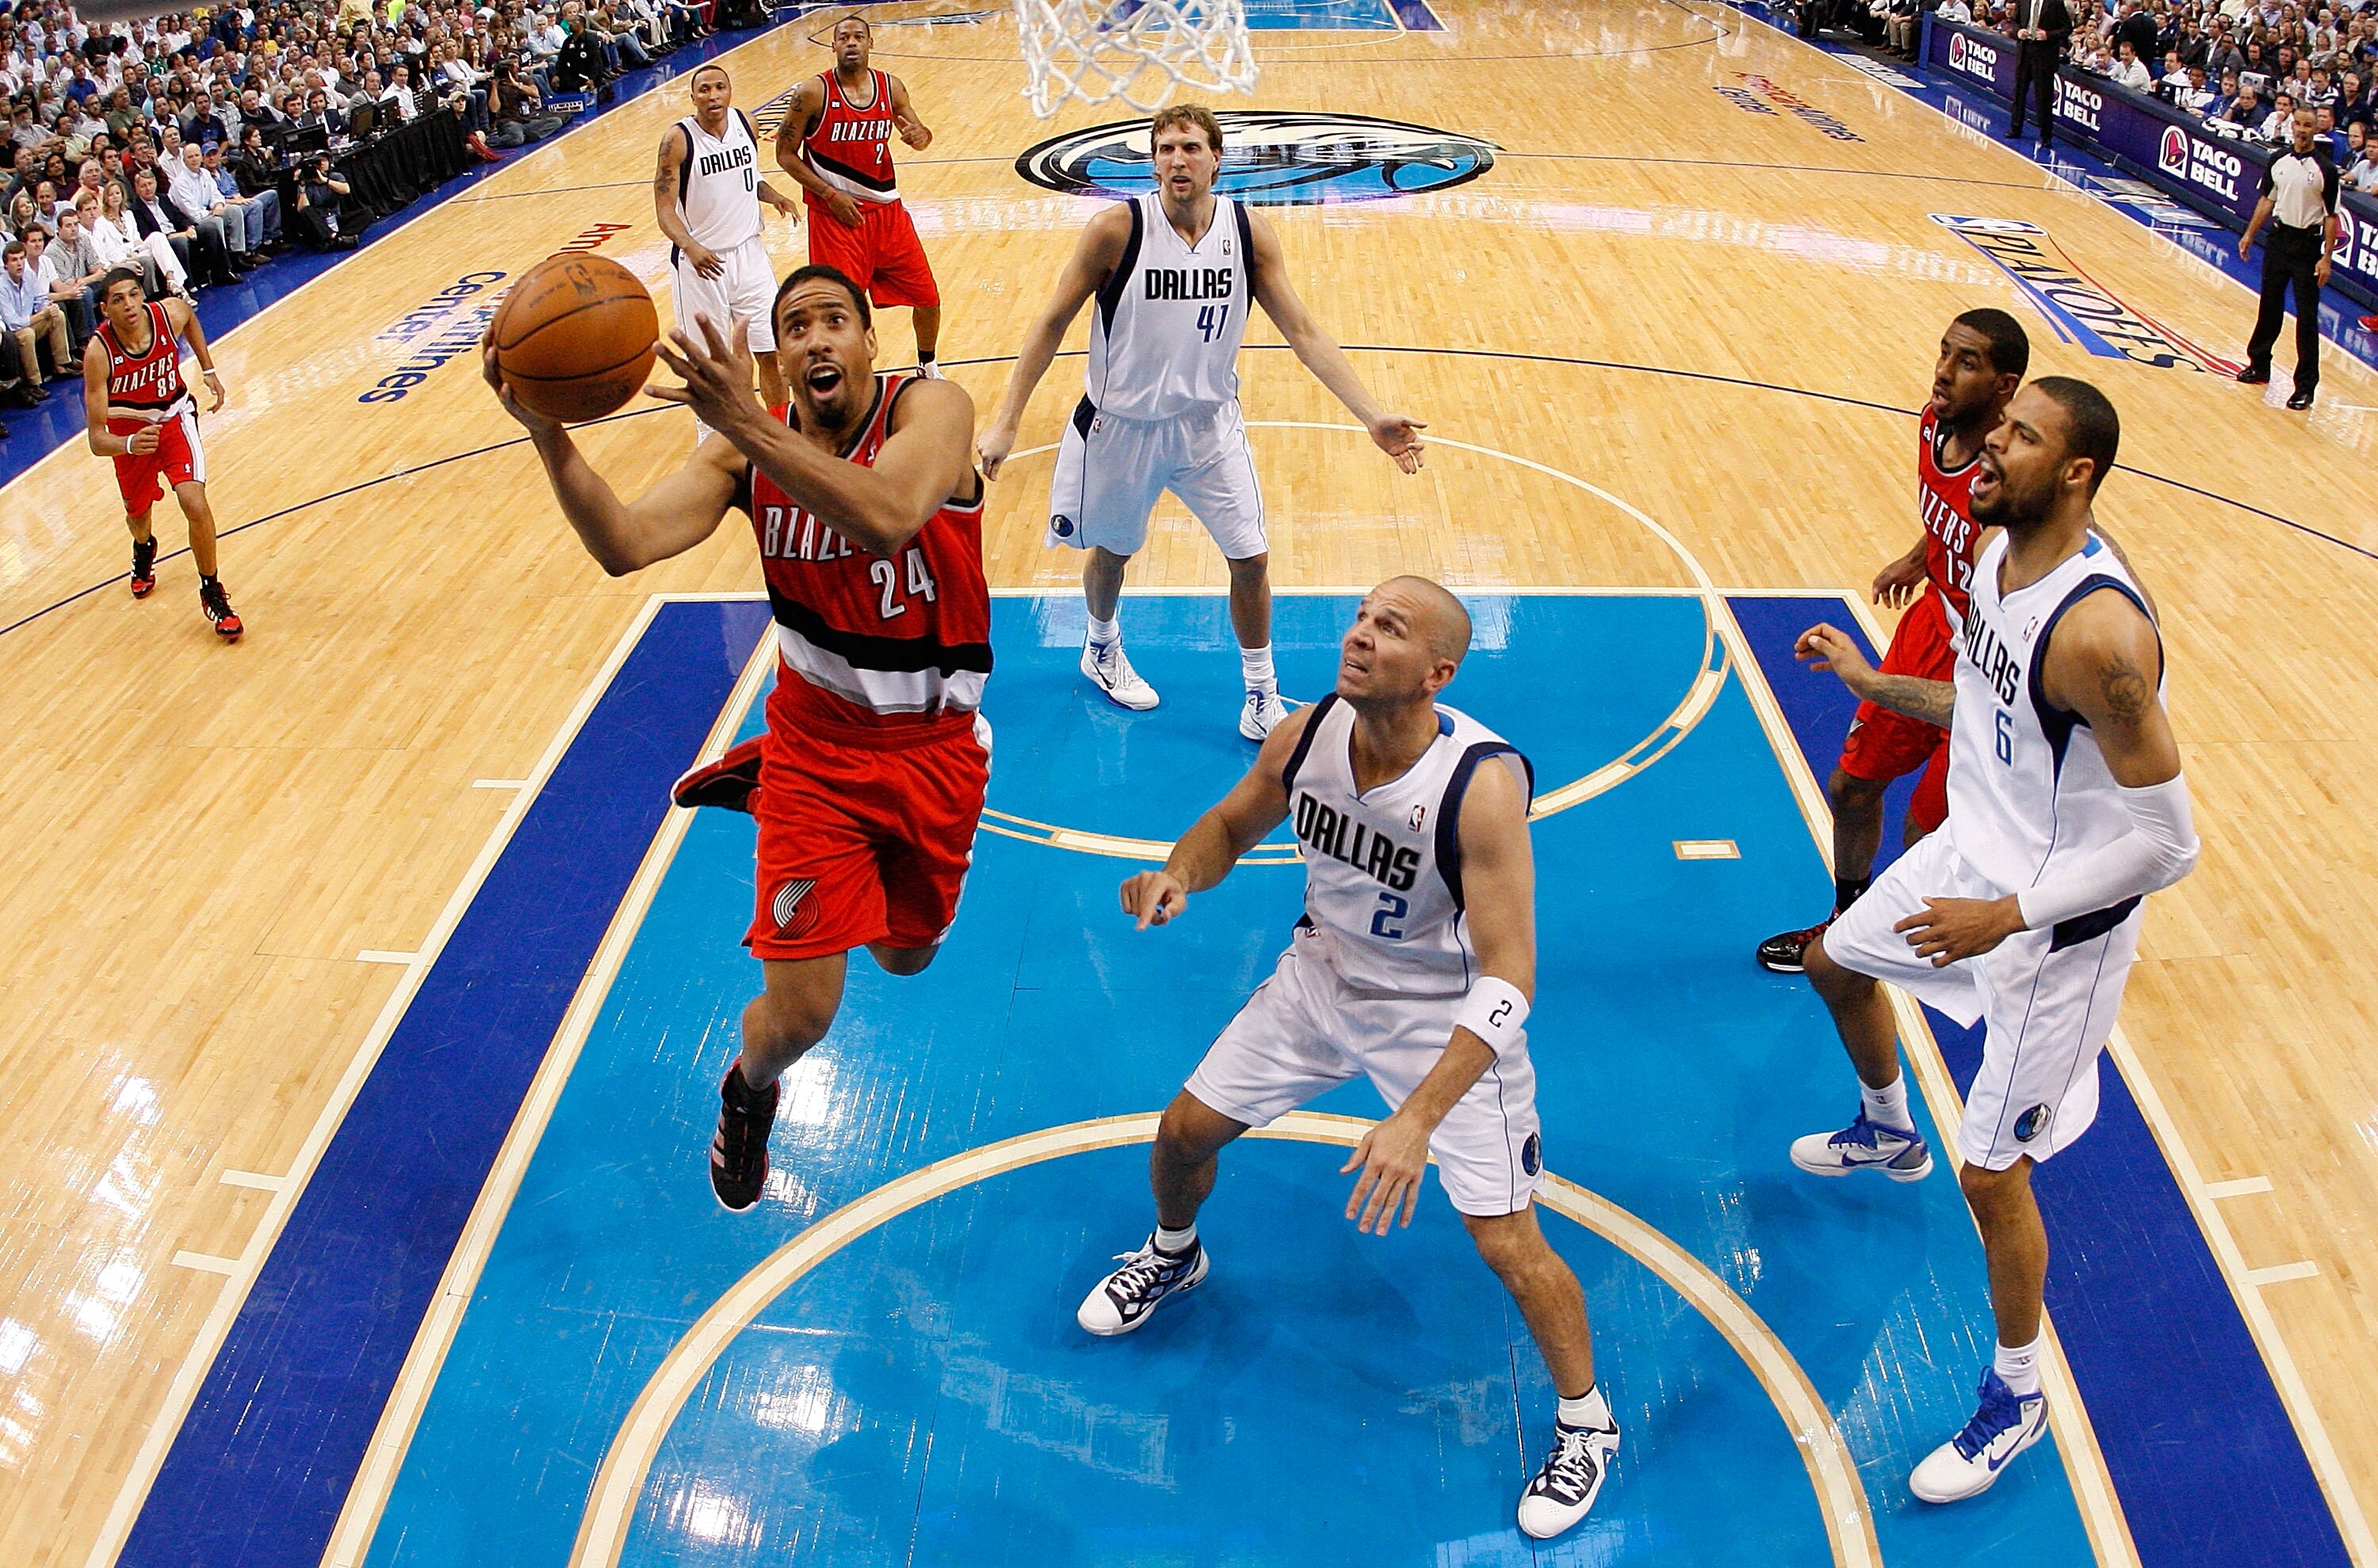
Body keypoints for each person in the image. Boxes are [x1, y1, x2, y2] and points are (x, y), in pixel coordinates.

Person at [1078, 576, 1621, 1543]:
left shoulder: (1479, 784)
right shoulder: (1308, 731)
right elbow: (1232, 824)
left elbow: (1511, 977)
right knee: (1184, 1132)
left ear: (1438, 673)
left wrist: (1416, 1118)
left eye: (1391, 628)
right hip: (1320, 979)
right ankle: (1174, 1254)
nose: (1361, 635)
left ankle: (1588, 1421)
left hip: (1442, 1020)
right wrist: (1179, 874)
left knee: (1507, 1242)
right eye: (1362, 617)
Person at [484, 264, 992, 1212]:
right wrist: (545, 430)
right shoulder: (741, 456)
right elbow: (624, 543)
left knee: (906, 956)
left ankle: (755, 786)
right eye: (794, 327)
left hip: (933, 750)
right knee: (804, 1014)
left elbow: (886, 516)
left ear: (870, 343)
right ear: (781, 357)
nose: (816, 340)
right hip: (818, 750)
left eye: (834, 321)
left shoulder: (935, 409)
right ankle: (746, 1091)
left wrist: (748, 422)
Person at [1788, 378, 2196, 1504]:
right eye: (1997, 426)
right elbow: (1986, 705)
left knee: (1994, 1166)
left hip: (2058, 928)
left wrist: (2008, 915)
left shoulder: (2103, 633)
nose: (1988, 446)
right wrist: (1874, 680)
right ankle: (1886, 1129)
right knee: (1834, 960)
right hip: (1975, 856)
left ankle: (2018, 1393)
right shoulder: (1990, 560)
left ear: (2077, 473)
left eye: (2018, 436)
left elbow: (2170, 843)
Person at [976, 105, 1426, 740]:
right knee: (1113, 554)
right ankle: (1100, 645)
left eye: (1189, 148)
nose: (1176, 160)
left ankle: (1261, 694)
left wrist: (1372, 414)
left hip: (1209, 426)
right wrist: (1006, 421)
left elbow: (1302, 329)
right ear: (1152, 160)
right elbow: (1050, 323)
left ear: (1217, 158)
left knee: (1252, 558)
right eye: (1164, 149)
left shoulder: (1246, 232)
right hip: (1121, 427)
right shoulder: (1117, 229)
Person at [1757, 311, 2029, 973]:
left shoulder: (2016, 473)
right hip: (1930, 626)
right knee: (1851, 787)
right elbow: (1955, 514)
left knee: (1926, 835)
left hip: (1986, 663)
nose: (1942, 371)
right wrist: (1923, 554)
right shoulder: (1934, 423)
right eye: (1944, 353)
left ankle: (1881, 951)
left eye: (1966, 363)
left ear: (2004, 385)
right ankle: (1847, 919)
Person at [771, 16, 942, 373]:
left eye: (858, 36)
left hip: (887, 213)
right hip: (835, 218)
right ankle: (849, 377)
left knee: (927, 297)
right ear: (833, 46)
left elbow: (922, 134)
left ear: (870, 43)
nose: (851, 42)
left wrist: (919, 136)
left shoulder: (890, 87)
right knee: (841, 310)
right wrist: (829, 194)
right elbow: (784, 154)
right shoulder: (813, 93)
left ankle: (927, 365)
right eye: (843, 37)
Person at [82, 267, 243, 638]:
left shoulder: (166, 313)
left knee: (195, 501)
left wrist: (208, 368)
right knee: (137, 514)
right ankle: (143, 548)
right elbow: (95, 438)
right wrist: (126, 444)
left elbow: (190, 317)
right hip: (129, 433)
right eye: (118, 300)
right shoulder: (98, 354)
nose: (129, 305)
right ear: (106, 309)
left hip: (174, 418)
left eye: (134, 294)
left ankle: (212, 590)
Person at [653, 64, 799, 421]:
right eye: (704, 90)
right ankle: (713, 438)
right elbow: (664, 209)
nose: (713, 95)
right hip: (702, 264)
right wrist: (690, 247)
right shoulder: (678, 140)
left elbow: (747, 175)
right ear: (692, 98)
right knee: (711, 364)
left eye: (720, 87)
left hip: (750, 254)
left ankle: (779, 428)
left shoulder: (746, 123)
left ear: (730, 91)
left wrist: (773, 195)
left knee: (772, 350)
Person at [2238, 105, 2341, 410]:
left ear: (2315, 129)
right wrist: (2249, 234)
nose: (2302, 130)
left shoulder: (2326, 170)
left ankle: (2305, 387)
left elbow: (2331, 218)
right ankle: (2259, 364)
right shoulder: (2278, 160)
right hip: (2279, 239)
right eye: (2298, 124)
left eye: (2308, 125)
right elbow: (2267, 200)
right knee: (2269, 304)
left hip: (2307, 246)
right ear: (2292, 126)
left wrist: (2326, 258)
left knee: (2307, 318)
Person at [2, 236, 75, 395]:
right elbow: (13, 324)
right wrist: (42, 315)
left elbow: (39, 300)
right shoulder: (2, 286)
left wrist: (48, 308)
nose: (19, 263)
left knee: (58, 315)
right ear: (6, 265)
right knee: (27, 334)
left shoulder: (29, 276)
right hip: (12, 333)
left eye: (22, 258)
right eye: (14, 260)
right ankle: (34, 384)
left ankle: (61, 365)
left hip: (30, 322)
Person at [2008, 0, 2074, 147]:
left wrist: (2048, 35)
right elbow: (2015, 22)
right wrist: (2018, 31)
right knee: (2019, 92)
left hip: (2045, 55)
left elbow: (2067, 28)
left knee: (2043, 97)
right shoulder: (2023, 1)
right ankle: (2015, 128)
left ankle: (2045, 135)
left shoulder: (2055, 3)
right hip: (2024, 51)